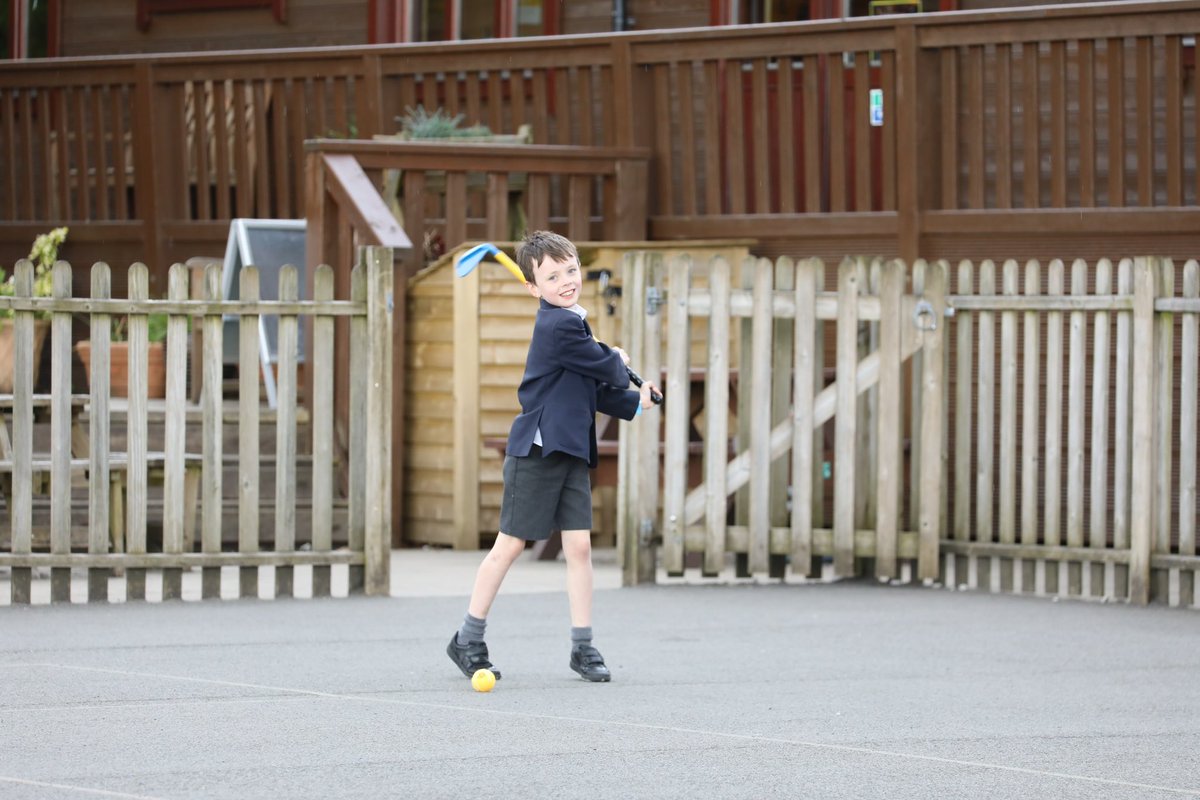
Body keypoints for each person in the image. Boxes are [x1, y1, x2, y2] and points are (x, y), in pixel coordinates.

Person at [447, 231, 659, 683]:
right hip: (538, 452)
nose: (566, 281)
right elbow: (603, 366)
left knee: (578, 547)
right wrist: (617, 359)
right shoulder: (558, 325)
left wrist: (634, 401)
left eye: (571, 270)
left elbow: (592, 387)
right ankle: (468, 636)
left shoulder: (573, 322)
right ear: (533, 287)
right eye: (552, 276)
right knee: (510, 546)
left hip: (570, 451)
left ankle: (583, 647)